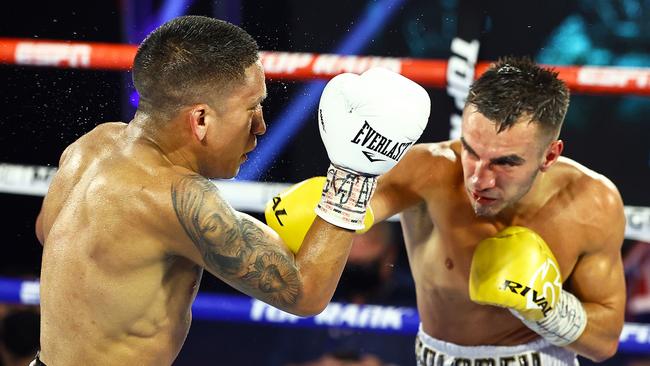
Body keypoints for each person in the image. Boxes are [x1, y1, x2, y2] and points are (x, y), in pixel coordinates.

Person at [33, 15, 430, 365]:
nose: (260, 126)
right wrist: (355, 172)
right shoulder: (173, 198)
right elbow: (305, 293)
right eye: (251, 108)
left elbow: (47, 232)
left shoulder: (93, 145)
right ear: (200, 119)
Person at [367, 56, 626, 365]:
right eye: (471, 151)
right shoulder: (425, 173)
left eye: (505, 162)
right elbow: (337, 217)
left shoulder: (592, 202)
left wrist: (549, 309)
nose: (479, 179)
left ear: (550, 155)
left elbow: (605, 342)